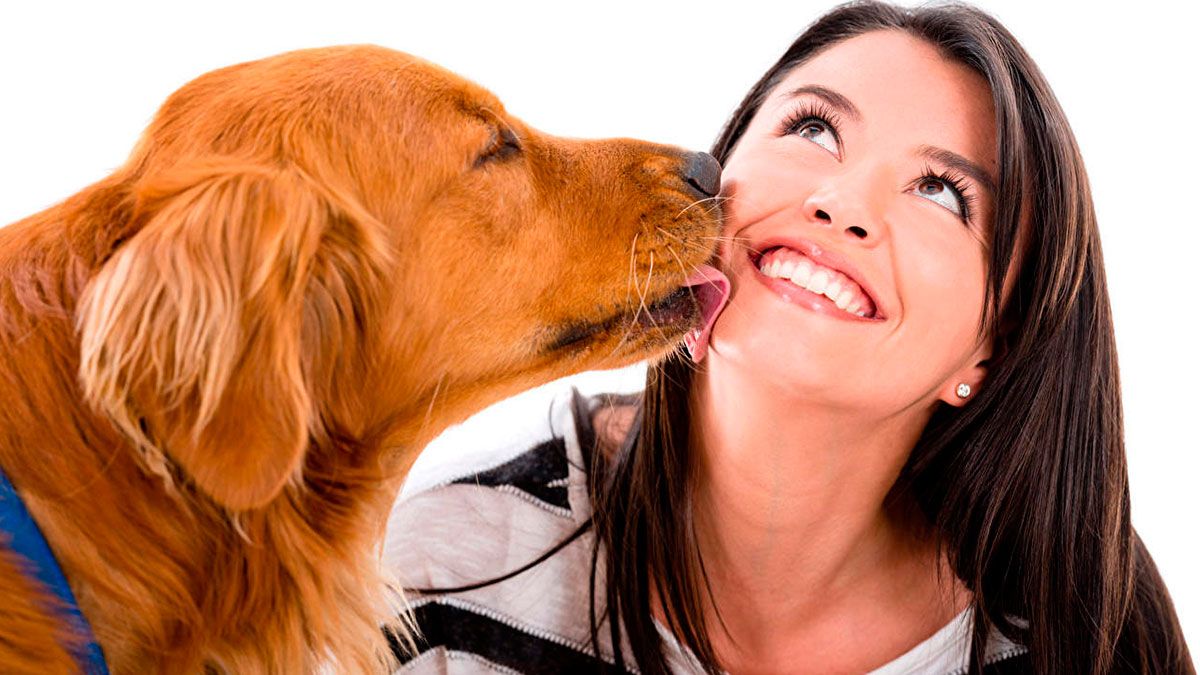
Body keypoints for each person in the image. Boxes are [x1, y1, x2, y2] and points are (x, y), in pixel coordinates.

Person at [384, 2, 1194, 673]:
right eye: (814, 130)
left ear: (992, 347)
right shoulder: (445, 572)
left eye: (943, 192)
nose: (843, 203)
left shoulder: (1078, 640)